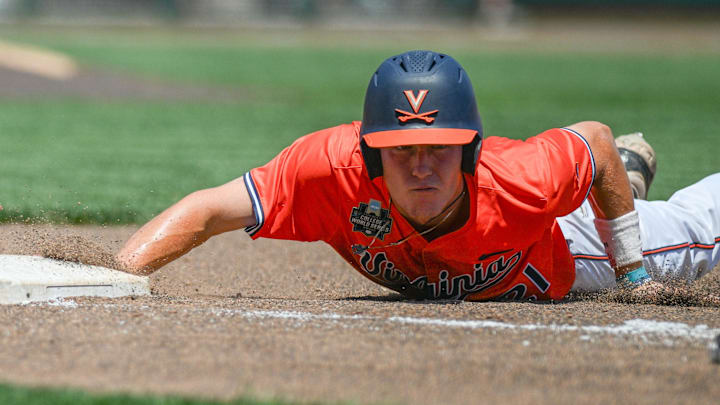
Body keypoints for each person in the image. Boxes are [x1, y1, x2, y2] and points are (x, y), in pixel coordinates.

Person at [116, 50, 720, 301]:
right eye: (401, 151)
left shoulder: (519, 177)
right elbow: (208, 210)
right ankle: (625, 187)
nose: (423, 165)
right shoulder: (326, 171)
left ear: (471, 151)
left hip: (564, 245)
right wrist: (117, 280)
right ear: (371, 154)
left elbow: (594, 141)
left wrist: (634, 271)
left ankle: (620, 197)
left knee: (701, 233)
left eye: (440, 148)